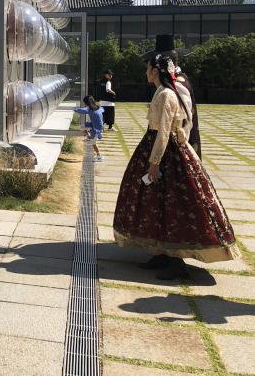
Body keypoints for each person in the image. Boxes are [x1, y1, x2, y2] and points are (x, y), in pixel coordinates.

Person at [113, 54, 239, 280]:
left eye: (148, 68)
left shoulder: (166, 94)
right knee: (156, 203)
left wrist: (154, 163)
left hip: (165, 153)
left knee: (172, 203)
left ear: (156, 71)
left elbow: (164, 132)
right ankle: (162, 252)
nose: (146, 72)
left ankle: (176, 261)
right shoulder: (162, 91)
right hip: (158, 146)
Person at [142, 34, 201, 159]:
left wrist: (183, 152)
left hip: (171, 148)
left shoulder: (177, 84)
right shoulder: (171, 82)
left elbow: (184, 121)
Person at [74, 95, 104, 162]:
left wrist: (74, 109)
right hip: (97, 125)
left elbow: (82, 110)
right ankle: (88, 137)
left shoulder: (89, 109)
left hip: (95, 128)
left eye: (85, 103)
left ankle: (99, 156)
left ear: (87, 103)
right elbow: (102, 111)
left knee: (93, 142)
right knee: (83, 126)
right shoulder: (98, 107)